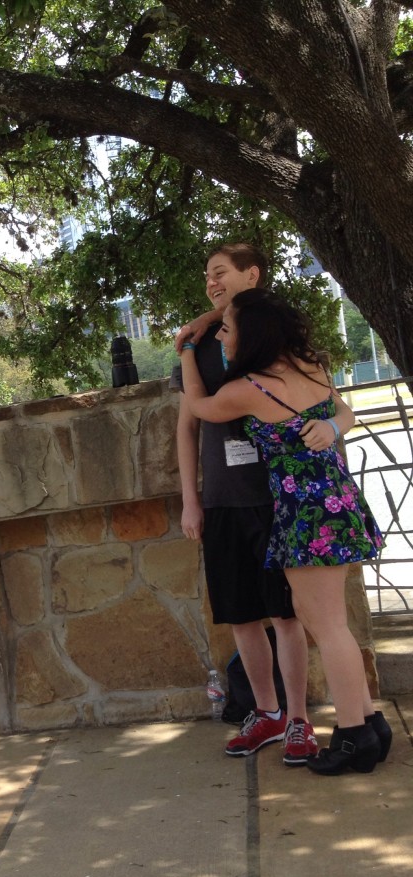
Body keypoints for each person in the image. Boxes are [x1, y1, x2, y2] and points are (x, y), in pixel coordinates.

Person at [179, 289, 386, 775]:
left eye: (228, 328)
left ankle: (353, 737)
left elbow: (199, 406)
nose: (222, 337)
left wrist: (187, 349)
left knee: (328, 629)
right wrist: (333, 427)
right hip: (336, 500)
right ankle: (372, 725)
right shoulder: (309, 366)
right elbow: (344, 411)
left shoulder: (250, 387)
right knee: (334, 625)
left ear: (250, 334)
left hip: (303, 513)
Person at [174, 244, 333, 763]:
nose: (211, 283)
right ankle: (266, 713)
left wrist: (335, 426)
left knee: (286, 616)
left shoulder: (276, 336)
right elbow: (188, 425)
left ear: (252, 275)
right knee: (242, 615)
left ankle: (299, 719)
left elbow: (330, 403)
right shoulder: (201, 345)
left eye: (220, 272)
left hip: (277, 499)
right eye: (205, 276)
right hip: (222, 501)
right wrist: (191, 500)